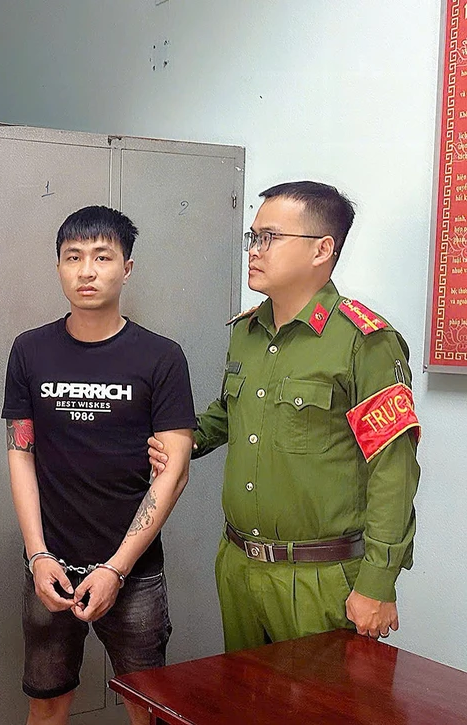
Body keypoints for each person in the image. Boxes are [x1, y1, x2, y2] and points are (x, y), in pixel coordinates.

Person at [149, 181, 421, 652]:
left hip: (320, 578)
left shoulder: (364, 342)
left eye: (269, 237)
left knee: (324, 696)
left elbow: (393, 471)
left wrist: (378, 582)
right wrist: (184, 439)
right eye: (253, 237)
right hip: (240, 566)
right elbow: (230, 413)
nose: (254, 250)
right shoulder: (247, 332)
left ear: (322, 249)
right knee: (241, 694)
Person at [2, 206, 196, 725]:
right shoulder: (30, 350)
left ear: (126, 268)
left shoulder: (161, 357)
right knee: (46, 703)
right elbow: (20, 454)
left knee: (147, 708)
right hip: (50, 567)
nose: (86, 271)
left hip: (133, 573)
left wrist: (117, 568)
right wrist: (37, 555)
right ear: (59, 267)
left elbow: (174, 473)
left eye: (102, 257)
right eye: (73, 257)